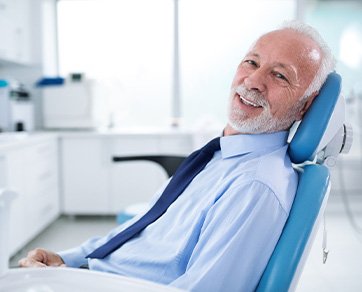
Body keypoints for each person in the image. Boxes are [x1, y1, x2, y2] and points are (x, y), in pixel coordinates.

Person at [19, 20, 335, 291]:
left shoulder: (255, 186)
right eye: (251, 63)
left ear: (306, 105)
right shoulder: (219, 156)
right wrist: (69, 260)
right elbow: (146, 229)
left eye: (280, 76)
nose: (252, 81)